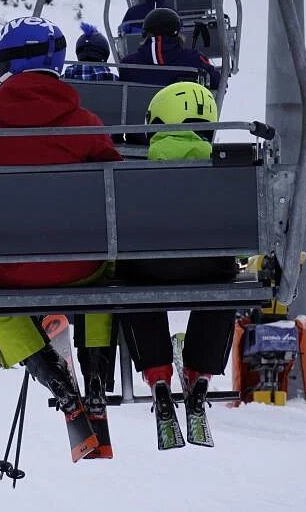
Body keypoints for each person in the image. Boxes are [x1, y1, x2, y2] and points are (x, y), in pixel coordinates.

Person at [0, 15, 122, 439]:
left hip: (1, 269)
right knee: (109, 272)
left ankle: (51, 375)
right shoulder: (86, 125)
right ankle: (96, 372)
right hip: (81, 268)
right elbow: (117, 188)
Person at [115, 82, 237, 433]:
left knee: (135, 289)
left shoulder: (133, 173)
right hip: (210, 269)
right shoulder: (229, 175)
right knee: (223, 288)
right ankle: (201, 372)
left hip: (149, 271)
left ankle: (157, 375)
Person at [119, 8, 221, 90]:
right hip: (185, 114)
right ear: (178, 34)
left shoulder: (128, 64)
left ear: (146, 34)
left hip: (140, 115)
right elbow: (217, 82)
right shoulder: (195, 60)